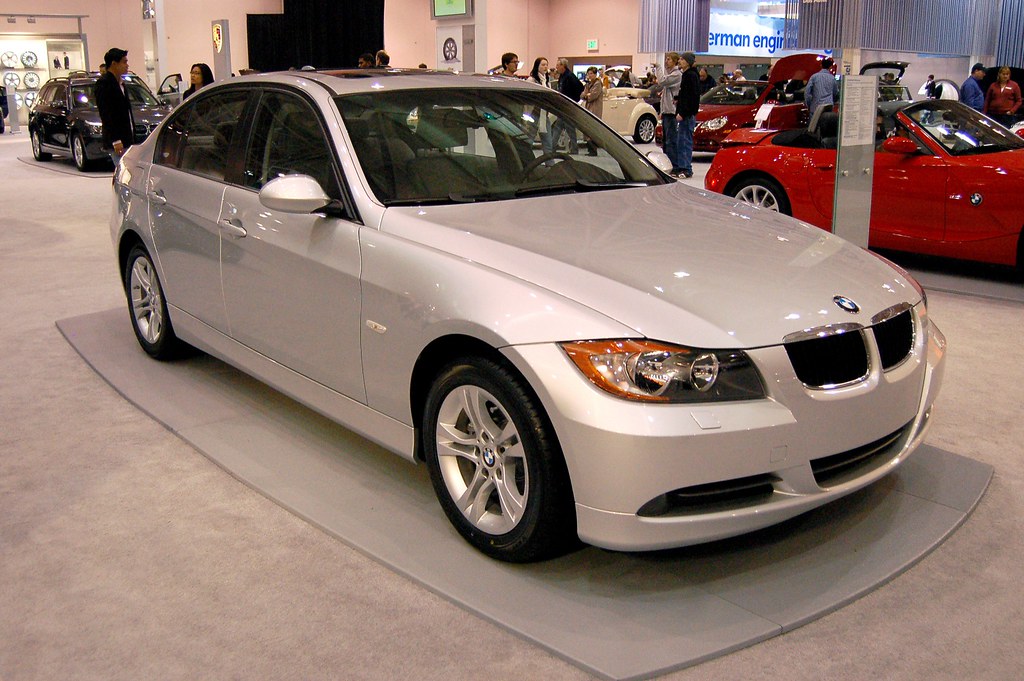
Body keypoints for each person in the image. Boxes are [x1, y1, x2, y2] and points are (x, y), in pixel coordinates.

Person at [95, 48, 134, 165]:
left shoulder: (121, 83)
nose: (127, 65)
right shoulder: (104, 84)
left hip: (127, 138)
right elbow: (106, 114)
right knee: (122, 172)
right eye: (124, 62)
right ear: (114, 64)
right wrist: (116, 140)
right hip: (117, 140)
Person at [648, 52, 682, 172]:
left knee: (671, 141)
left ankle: (674, 165)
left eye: (668, 59)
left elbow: (661, 81)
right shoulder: (671, 74)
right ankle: (668, 164)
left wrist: (658, 67)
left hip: (672, 112)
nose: (666, 61)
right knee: (666, 141)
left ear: (674, 61)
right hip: (666, 111)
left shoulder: (676, 75)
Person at [674, 51, 700, 178]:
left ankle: (686, 168)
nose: (680, 61)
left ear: (688, 62)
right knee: (682, 141)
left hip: (687, 115)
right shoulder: (688, 75)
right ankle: (683, 167)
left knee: (684, 141)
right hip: (686, 113)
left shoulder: (691, 76)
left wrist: (683, 113)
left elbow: (692, 97)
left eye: (683, 60)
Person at [551, 57, 584, 154]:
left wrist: (573, 100)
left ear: (563, 66)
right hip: (563, 106)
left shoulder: (570, 76)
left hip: (567, 106)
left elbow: (579, 88)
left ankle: (572, 148)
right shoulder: (562, 76)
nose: (556, 67)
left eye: (558, 65)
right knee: (562, 127)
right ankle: (571, 148)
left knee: (567, 128)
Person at [528, 57, 554, 156]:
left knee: (548, 142)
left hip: (544, 114)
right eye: (542, 65)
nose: (545, 67)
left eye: (546, 64)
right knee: (529, 139)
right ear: (537, 66)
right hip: (533, 113)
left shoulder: (547, 81)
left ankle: (550, 163)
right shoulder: (532, 80)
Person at [581, 66, 604, 155]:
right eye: (588, 73)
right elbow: (582, 95)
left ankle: (593, 150)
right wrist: (586, 95)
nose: (589, 75)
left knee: (593, 129)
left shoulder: (598, 84)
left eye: (591, 73)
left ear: (595, 74)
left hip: (595, 108)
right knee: (588, 129)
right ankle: (590, 149)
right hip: (589, 107)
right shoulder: (588, 84)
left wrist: (587, 95)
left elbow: (592, 96)